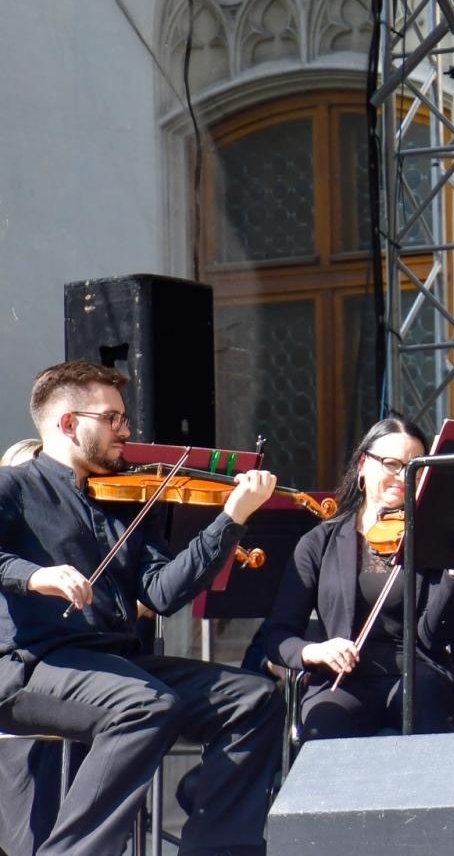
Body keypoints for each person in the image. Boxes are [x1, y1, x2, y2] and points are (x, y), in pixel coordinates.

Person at [0, 360, 284, 856]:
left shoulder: (125, 502)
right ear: (68, 423)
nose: (126, 431)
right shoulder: (15, 488)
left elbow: (162, 591)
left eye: (124, 418)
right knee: (144, 705)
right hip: (32, 663)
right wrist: (35, 575)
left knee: (253, 699)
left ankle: (217, 848)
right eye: (112, 418)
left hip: (116, 665)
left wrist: (229, 520)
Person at [259, 417, 454, 739]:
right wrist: (315, 652)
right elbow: (278, 635)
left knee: (425, 706)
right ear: (362, 465)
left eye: (415, 468)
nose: (402, 476)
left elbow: (430, 638)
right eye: (391, 464)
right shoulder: (319, 542)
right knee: (325, 720)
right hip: (342, 680)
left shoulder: (432, 542)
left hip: (415, 674)